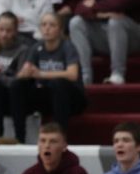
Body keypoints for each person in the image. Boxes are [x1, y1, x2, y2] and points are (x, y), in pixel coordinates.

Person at [10, 11, 86, 144]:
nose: (47, 28)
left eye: (52, 25)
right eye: (44, 25)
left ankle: (60, 137)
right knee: (18, 86)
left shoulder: (67, 46)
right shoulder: (36, 47)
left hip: (71, 97)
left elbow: (72, 74)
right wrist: (26, 72)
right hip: (48, 96)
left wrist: (41, 74)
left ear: (60, 29)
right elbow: (23, 73)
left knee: (58, 83)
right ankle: (19, 137)